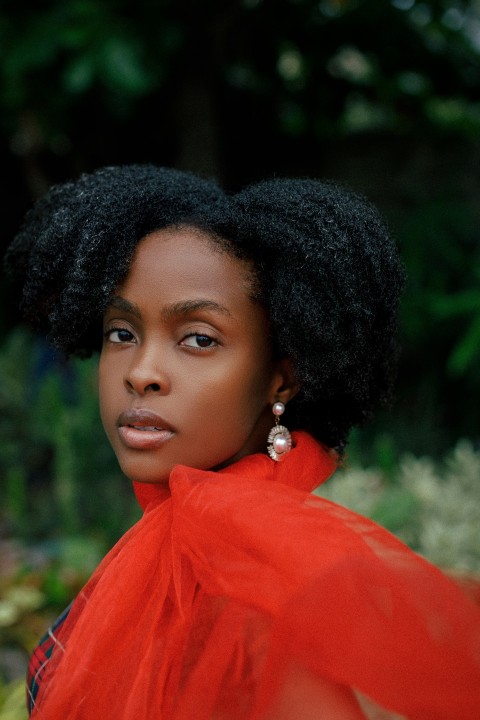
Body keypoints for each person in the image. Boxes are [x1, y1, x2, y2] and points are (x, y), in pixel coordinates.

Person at [5, 165, 480, 719]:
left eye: (198, 339)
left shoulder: (262, 595)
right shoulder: (168, 547)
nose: (142, 372)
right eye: (122, 333)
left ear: (282, 378)